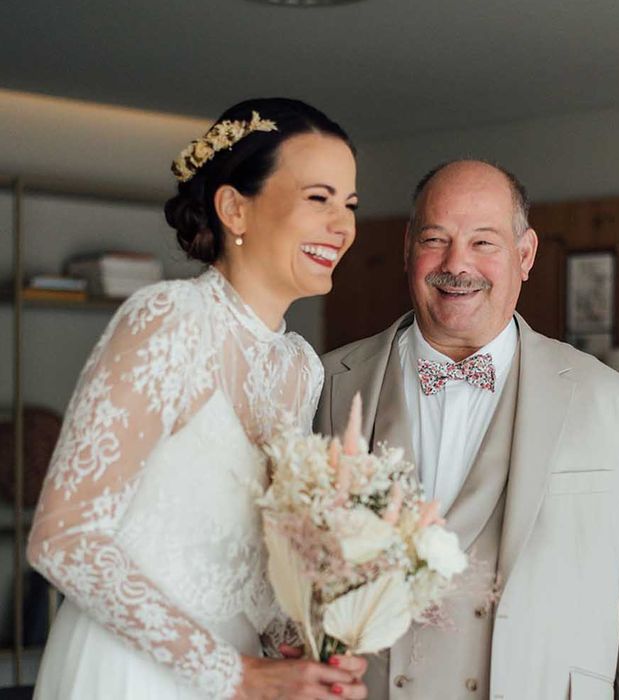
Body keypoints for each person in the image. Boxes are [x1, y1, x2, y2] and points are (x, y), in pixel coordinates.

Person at [28, 98, 367, 700]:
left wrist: (301, 640)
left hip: (244, 675)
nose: (342, 226)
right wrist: (233, 675)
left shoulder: (300, 368)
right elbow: (63, 538)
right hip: (133, 674)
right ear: (235, 206)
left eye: (350, 205)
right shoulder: (167, 319)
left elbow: (254, 560)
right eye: (319, 198)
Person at [315, 160, 619, 699]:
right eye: (435, 239)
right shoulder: (325, 385)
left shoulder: (614, 405)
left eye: (484, 242)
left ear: (525, 254)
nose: (456, 264)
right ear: (407, 248)